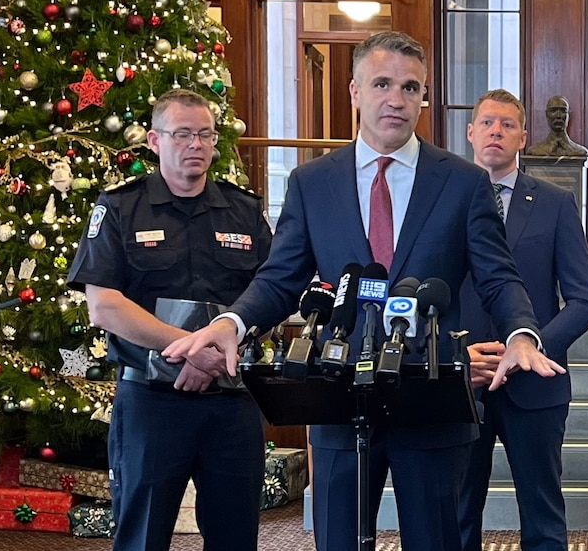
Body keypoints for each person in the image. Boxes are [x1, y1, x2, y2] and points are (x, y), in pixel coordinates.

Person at [163, 32, 565, 551]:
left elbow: (498, 276)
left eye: (410, 87)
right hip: (337, 393)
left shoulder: (464, 183)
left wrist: (522, 334)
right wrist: (230, 324)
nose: (396, 99)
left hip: (429, 393)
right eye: (381, 83)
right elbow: (281, 277)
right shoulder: (312, 182)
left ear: (424, 96)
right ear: (354, 90)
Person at [66, 89, 272, 551]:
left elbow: (271, 292)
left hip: (231, 402)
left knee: (236, 533)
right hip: (152, 402)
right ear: (155, 142)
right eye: (182, 134)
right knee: (143, 535)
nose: (195, 144)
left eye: (204, 134)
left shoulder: (243, 210)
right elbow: (104, 306)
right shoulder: (120, 207)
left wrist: (210, 357)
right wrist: (191, 350)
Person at [458, 89, 588, 551]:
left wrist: (534, 347)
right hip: (464, 380)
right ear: (470, 133)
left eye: (507, 124)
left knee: (542, 519)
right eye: (487, 123)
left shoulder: (556, 204)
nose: (496, 131)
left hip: (535, 387)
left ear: (522, 137)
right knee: (457, 517)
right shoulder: (444, 204)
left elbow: (583, 301)